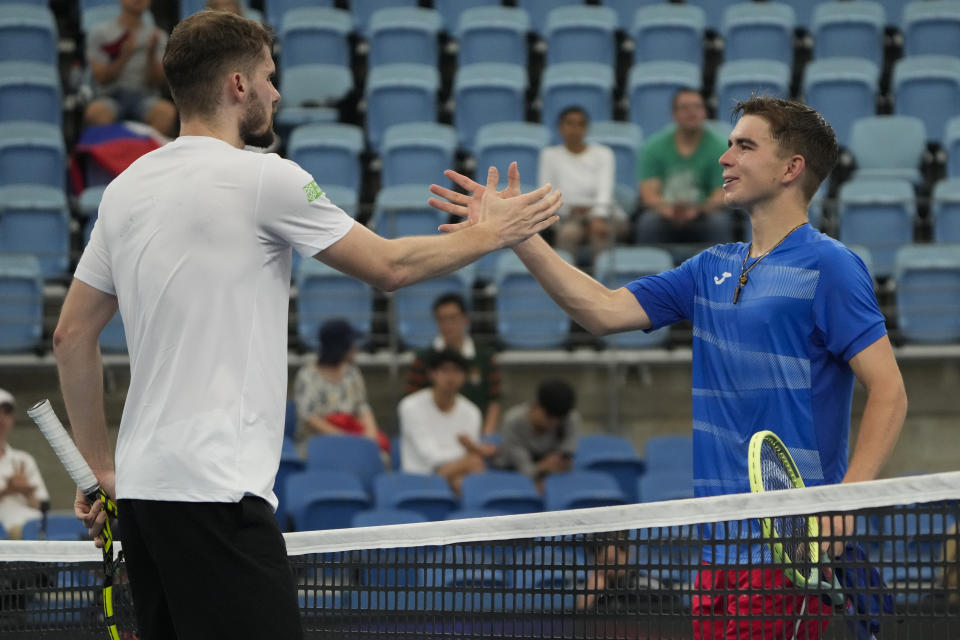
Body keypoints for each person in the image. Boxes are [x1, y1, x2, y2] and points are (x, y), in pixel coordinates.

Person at [54, 9, 560, 639]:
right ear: (238, 85)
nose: (276, 91)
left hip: (144, 496)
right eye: (268, 76)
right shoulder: (267, 176)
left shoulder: (125, 188)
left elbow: (70, 336)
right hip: (217, 493)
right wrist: (495, 232)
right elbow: (390, 267)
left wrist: (103, 473)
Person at [429, 95, 907, 640]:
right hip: (717, 543)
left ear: (791, 168)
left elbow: (889, 391)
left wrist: (843, 503)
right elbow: (602, 311)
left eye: (744, 146)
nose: (724, 158)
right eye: (728, 145)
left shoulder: (831, 265)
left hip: (789, 546)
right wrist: (520, 236)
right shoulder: (710, 268)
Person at [635, 89, 734, 248]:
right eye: (685, 108)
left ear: (704, 112)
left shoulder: (720, 148)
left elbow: (722, 191)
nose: (692, 112)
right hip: (665, 213)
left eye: (697, 107)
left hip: (704, 213)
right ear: (674, 114)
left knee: (719, 222)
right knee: (648, 223)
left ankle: (721, 269)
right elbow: (649, 192)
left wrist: (697, 211)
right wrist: (669, 211)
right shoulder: (653, 147)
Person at [399, 350, 497, 494]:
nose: (451, 376)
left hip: (458, 476)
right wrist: (471, 453)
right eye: (444, 370)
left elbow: (468, 458)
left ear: (464, 376)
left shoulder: (472, 412)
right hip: (418, 480)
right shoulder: (410, 406)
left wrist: (470, 455)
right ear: (432, 374)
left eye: (457, 371)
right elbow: (430, 457)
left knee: (466, 479)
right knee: (474, 466)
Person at [405, 293, 502, 436]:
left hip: (474, 432)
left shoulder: (485, 357)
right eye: (441, 320)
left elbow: (495, 399)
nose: (448, 325)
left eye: (453, 319)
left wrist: (486, 434)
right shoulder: (423, 358)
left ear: (465, 320)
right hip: (433, 432)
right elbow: (412, 398)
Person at [293, 318, 389, 460]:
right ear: (339, 346)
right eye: (351, 344)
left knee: (381, 458)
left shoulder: (352, 372)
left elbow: (362, 407)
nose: (356, 349)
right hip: (316, 441)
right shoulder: (307, 376)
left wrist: (370, 435)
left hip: (352, 434)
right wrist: (345, 440)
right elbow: (309, 417)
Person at [538, 105, 624, 258]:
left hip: (603, 214)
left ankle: (603, 280)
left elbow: (604, 190)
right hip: (567, 217)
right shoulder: (549, 155)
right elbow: (547, 195)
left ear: (586, 128)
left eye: (580, 124)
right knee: (568, 234)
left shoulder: (604, 154)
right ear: (560, 127)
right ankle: (562, 281)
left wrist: (598, 216)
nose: (574, 129)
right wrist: (567, 210)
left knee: (600, 234)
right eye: (569, 123)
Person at [84, 0, 178, 138]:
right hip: (109, 96)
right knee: (97, 113)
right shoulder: (100, 33)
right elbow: (101, 78)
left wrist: (151, 55)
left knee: (166, 113)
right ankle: (109, 158)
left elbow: (157, 82)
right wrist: (124, 56)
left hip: (146, 97)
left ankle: (149, 158)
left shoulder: (158, 37)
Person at [492, 379, 579, 491]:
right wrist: (543, 466)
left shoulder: (569, 418)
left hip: (552, 476)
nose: (554, 423)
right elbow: (523, 469)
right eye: (549, 417)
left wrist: (559, 461)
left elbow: (567, 456)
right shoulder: (513, 422)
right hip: (511, 474)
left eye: (559, 419)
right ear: (537, 406)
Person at [0, 389, 51, 540]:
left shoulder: (24, 459)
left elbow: (44, 507)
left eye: (7, 411)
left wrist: (27, 492)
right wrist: (8, 490)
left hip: (34, 530)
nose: (2, 417)